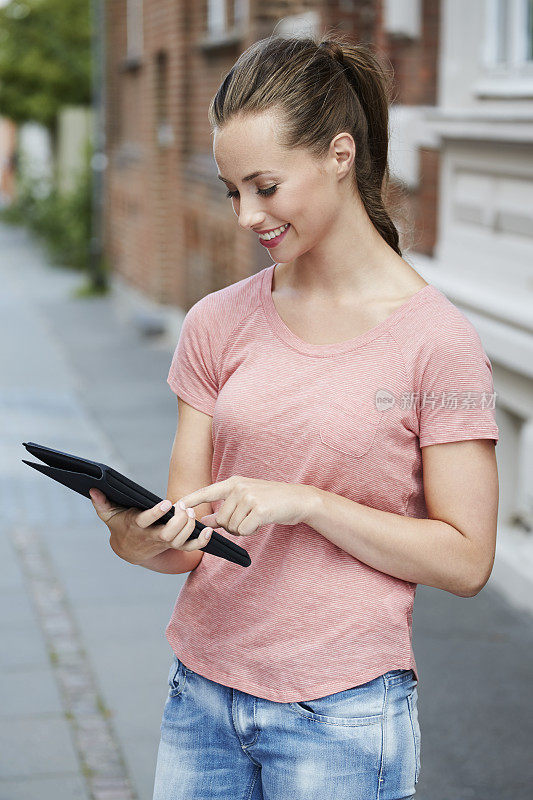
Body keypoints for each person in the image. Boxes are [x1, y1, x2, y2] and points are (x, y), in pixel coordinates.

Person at [90, 32, 500, 800]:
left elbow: (466, 559)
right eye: (230, 190)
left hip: (342, 716)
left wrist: (306, 503)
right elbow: (190, 546)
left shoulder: (434, 342)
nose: (246, 215)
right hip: (202, 694)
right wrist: (132, 535)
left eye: (265, 186)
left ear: (338, 156)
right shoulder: (215, 322)